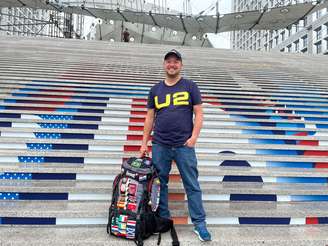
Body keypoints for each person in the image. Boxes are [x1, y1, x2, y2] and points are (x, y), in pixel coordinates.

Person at [139, 49, 211, 242]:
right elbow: (150, 117)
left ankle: (200, 224)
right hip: (160, 144)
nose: (172, 64)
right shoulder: (155, 90)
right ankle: (162, 219)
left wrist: (194, 137)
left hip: (184, 145)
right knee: (159, 184)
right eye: (168, 61)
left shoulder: (190, 86)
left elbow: (199, 113)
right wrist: (144, 142)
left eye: (176, 61)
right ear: (164, 65)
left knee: (192, 184)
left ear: (181, 65)